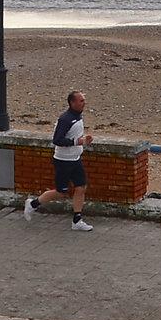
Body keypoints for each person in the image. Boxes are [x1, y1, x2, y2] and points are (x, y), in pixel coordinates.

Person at [25, 89, 95, 232]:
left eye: (84, 100)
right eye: (81, 100)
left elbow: (75, 137)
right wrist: (78, 141)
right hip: (63, 161)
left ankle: (77, 220)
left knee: (81, 187)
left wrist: (84, 141)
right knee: (61, 192)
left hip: (75, 159)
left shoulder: (78, 117)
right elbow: (57, 140)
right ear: (72, 102)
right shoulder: (65, 119)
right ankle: (33, 204)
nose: (84, 103)